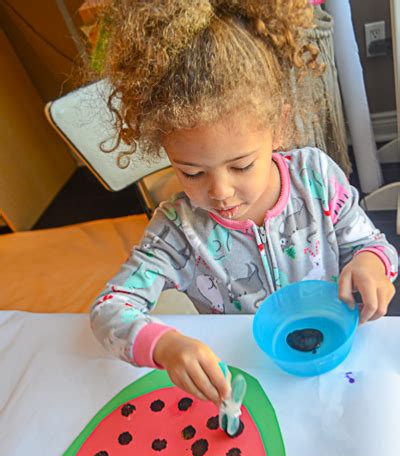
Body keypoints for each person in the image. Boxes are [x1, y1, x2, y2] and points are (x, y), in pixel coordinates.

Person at [90, 0, 398, 406]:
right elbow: (109, 309)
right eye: (192, 172)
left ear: (279, 127)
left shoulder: (316, 178)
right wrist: (163, 346)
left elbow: (372, 245)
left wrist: (371, 263)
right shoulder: (177, 230)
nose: (219, 192)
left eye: (241, 165)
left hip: (341, 366)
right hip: (250, 385)